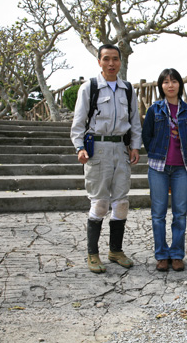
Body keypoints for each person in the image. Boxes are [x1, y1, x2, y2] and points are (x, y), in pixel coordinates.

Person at [70, 44, 142, 274]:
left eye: (115, 59)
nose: (111, 64)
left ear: (120, 62)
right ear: (99, 62)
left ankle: (116, 251)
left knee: (121, 203)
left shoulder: (128, 90)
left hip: (120, 149)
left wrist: (135, 147)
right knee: (100, 203)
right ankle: (93, 254)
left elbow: (135, 122)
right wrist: (80, 147)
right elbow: (78, 123)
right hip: (97, 149)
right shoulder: (89, 88)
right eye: (106, 59)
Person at [142, 68, 187, 272]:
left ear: (179, 85)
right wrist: (158, 155)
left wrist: (181, 155)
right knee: (158, 214)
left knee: (180, 213)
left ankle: (176, 254)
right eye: (165, 82)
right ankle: (161, 255)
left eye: (174, 81)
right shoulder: (154, 110)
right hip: (158, 168)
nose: (170, 85)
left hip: (182, 169)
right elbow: (146, 137)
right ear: (161, 86)